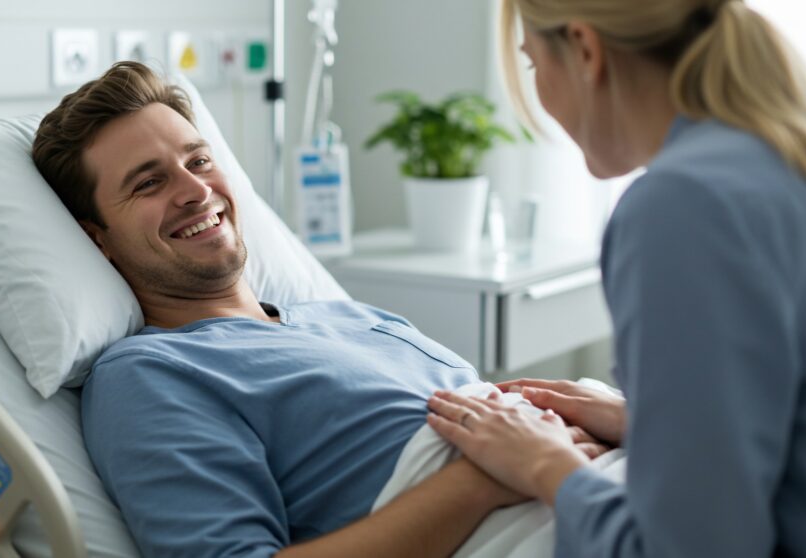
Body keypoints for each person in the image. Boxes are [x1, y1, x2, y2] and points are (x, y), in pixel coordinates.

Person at [31, 61, 609, 557]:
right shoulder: (149, 375)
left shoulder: (346, 316)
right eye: (148, 183)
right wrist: (481, 480)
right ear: (98, 239)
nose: (195, 190)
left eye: (199, 161)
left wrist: (616, 420)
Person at [427, 1, 806, 556]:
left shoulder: (686, 205)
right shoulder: (795, 157)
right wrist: (647, 420)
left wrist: (545, 464)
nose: (538, 92)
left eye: (532, 63)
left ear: (585, 50)